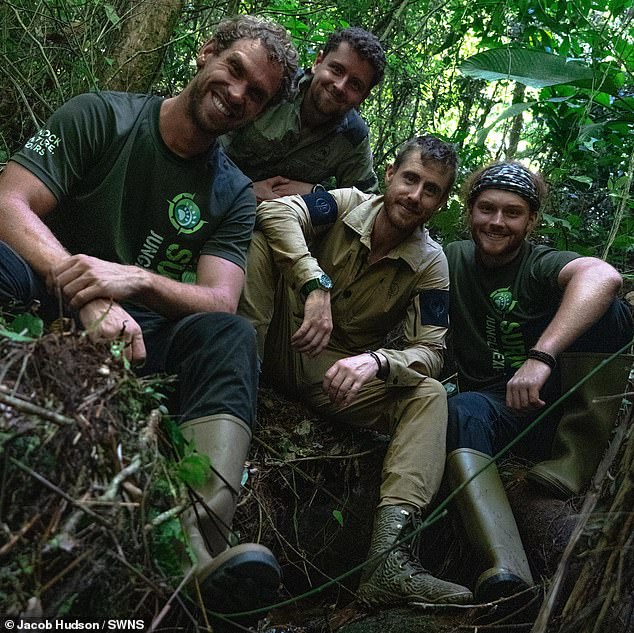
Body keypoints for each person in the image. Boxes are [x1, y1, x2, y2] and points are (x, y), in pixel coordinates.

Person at [0, 15, 298, 624]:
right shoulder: (102, 116)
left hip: (141, 341)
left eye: (257, 93)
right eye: (234, 69)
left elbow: (221, 298)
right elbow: (9, 200)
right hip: (43, 292)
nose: (238, 93)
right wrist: (84, 288)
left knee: (230, 335)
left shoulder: (233, 192)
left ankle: (196, 546)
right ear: (206, 51)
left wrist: (133, 279)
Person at [239, 135, 474, 608]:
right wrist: (314, 283)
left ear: (441, 202)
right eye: (410, 179)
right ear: (390, 175)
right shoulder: (345, 204)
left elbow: (431, 351)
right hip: (276, 330)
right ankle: (234, 388)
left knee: (428, 395)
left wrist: (379, 361)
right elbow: (276, 212)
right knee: (260, 239)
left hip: (335, 375)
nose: (415, 195)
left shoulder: (430, 265)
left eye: (431, 190)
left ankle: (387, 561)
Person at [444, 160, 634, 604]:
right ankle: (505, 565)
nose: (496, 222)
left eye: (512, 212)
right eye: (486, 208)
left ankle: (573, 462)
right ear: (469, 210)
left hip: (558, 409)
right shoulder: (451, 257)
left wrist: (540, 356)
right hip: (497, 412)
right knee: (460, 408)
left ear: (531, 221)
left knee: (608, 309)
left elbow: (603, 275)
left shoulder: (539, 264)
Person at [219, 26, 385, 202]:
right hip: (212, 187)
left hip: (274, 220)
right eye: (336, 70)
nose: (340, 86)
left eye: (355, 85)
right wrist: (244, 189)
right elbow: (205, 139)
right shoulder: (275, 87)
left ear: (363, 97)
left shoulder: (353, 137)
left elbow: (366, 204)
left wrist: (319, 193)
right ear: (318, 62)